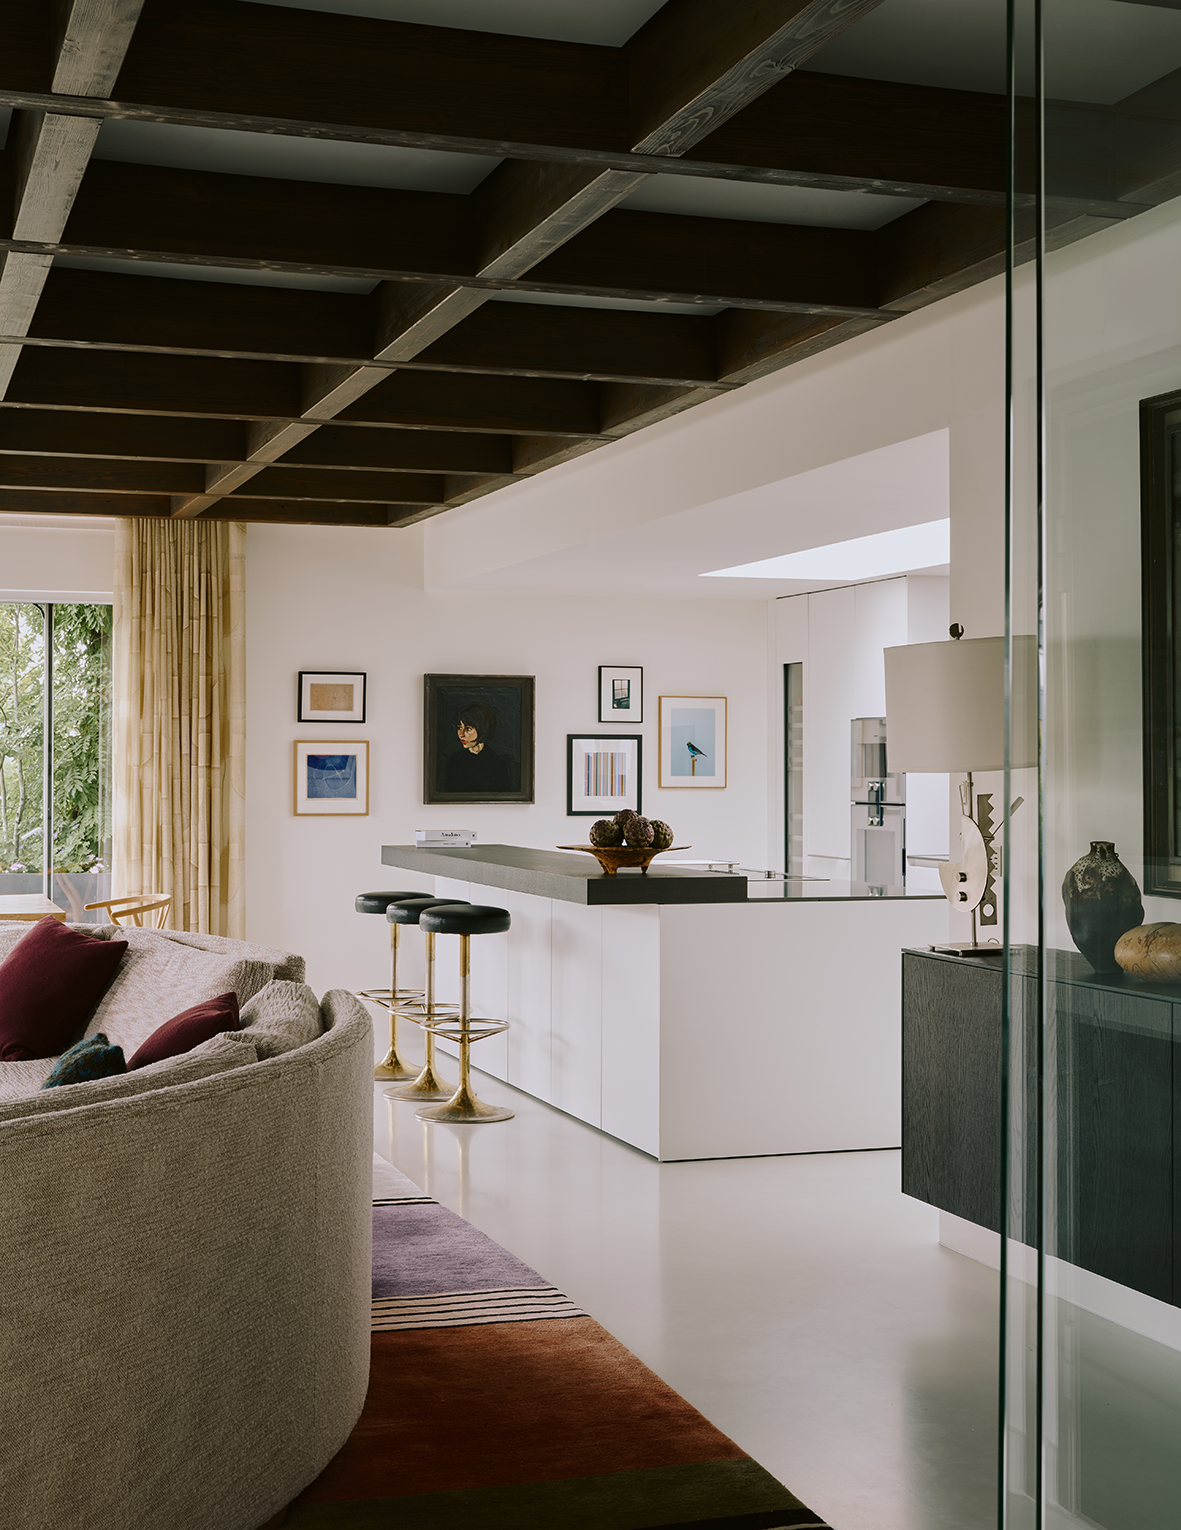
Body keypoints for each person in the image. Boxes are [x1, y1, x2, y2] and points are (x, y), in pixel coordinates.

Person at [444, 702, 519, 792]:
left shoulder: (497, 763)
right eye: (459, 728)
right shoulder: (454, 762)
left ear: (483, 728)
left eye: (468, 729)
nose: (461, 734)